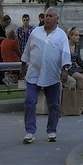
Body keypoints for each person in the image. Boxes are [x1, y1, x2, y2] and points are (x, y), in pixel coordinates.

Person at [20, 7, 70, 144]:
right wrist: (23, 65)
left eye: (50, 16)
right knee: (30, 101)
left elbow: (66, 53)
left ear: (56, 19)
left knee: (54, 105)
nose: (47, 18)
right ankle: (30, 131)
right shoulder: (35, 32)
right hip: (34, 74)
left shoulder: (61, 35)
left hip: (52, 75)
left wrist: (65, 69)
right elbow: (27, 50)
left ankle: (52, 131)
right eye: (46, 16)